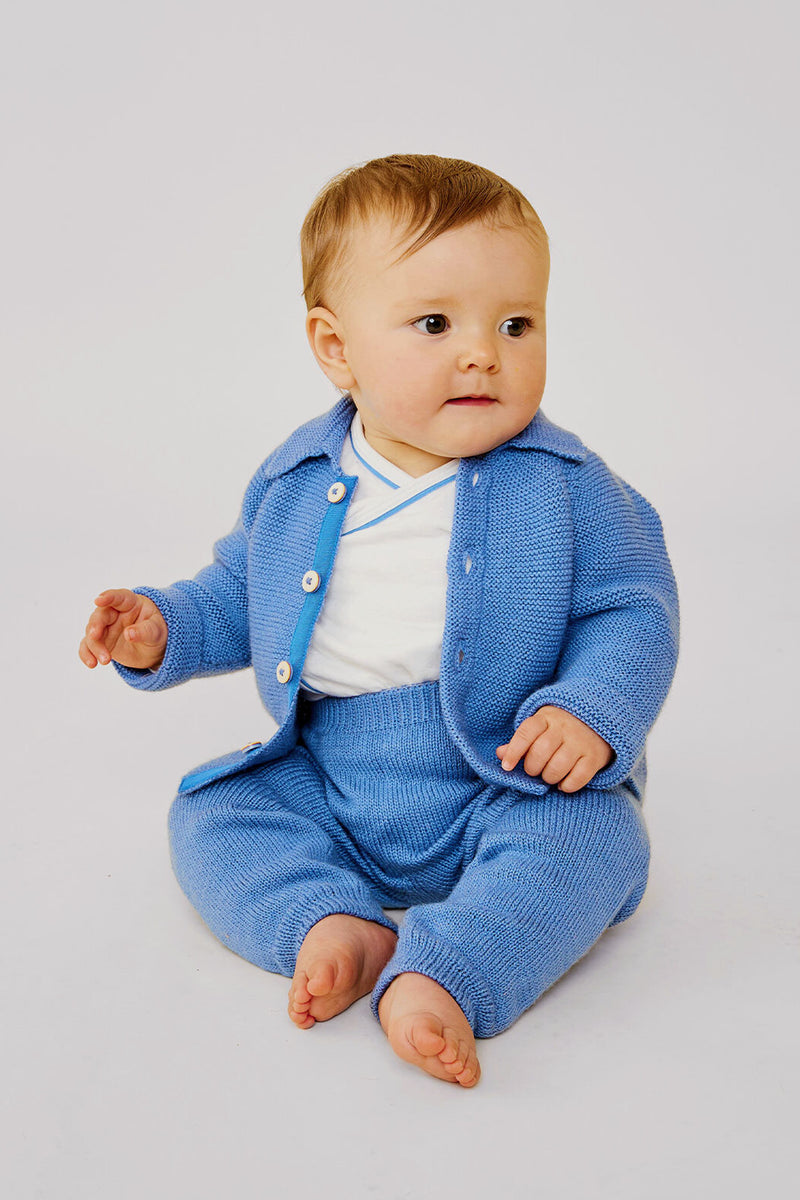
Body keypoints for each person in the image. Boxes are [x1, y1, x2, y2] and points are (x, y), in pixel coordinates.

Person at [78, 154, 679, 1088]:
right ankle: (332, 919)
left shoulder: (570, 490)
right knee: (210, 815)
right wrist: (163, 627)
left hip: (506, 775)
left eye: (516, 323)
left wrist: (592, 711)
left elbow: (633, 608)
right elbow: (241, 591)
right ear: (335, 347)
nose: (483, 350)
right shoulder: (297, 481)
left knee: (597, 843)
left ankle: (449, 970)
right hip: (328, 770)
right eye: (435, 323)